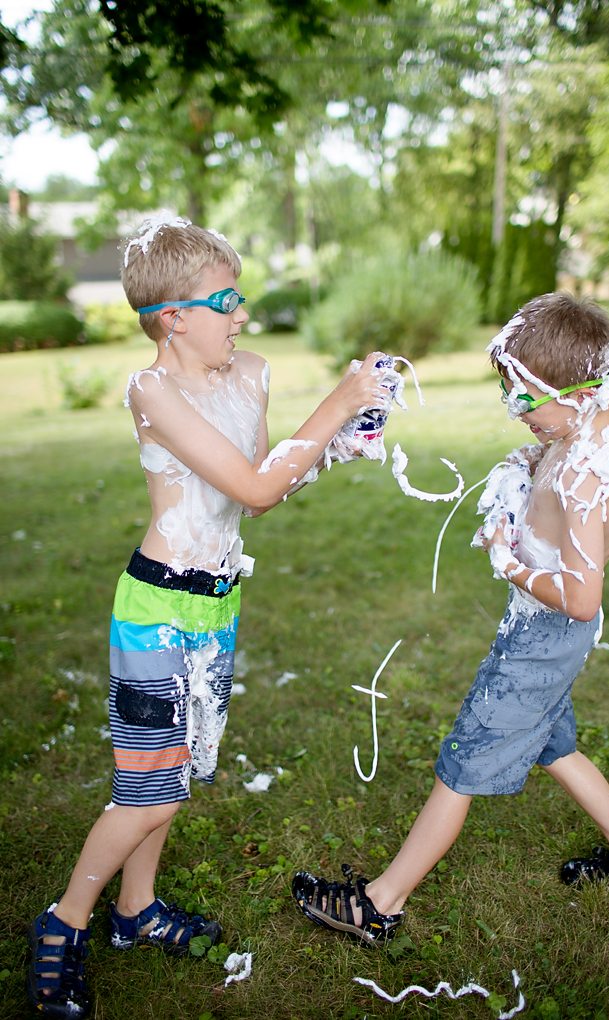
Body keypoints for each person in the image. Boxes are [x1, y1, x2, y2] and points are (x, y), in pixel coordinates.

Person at [28, 217, 389, 1016]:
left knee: (175, 773)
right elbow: (257, 487)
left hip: (217, 605)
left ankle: (136, 912)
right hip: (156, 605)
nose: (242, 316)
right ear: (172, 317)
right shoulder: (151, 389)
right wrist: (336, 401)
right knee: (148, 791)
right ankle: (62, 923)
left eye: (241, 298)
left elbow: (257, 489)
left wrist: (337, 443)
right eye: (225, 302)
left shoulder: (248, 372)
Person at [292, 292, 609, 945]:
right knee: (557, 746)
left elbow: (581, 597)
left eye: (525, 400)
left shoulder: (587, 472)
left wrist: (508, 561)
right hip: (548, 636)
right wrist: (519, 475)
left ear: (577, 389)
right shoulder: (591, 424)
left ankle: (380, 904)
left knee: (462, 764)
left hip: (541, 639)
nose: (515, 413)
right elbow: (547, 457)